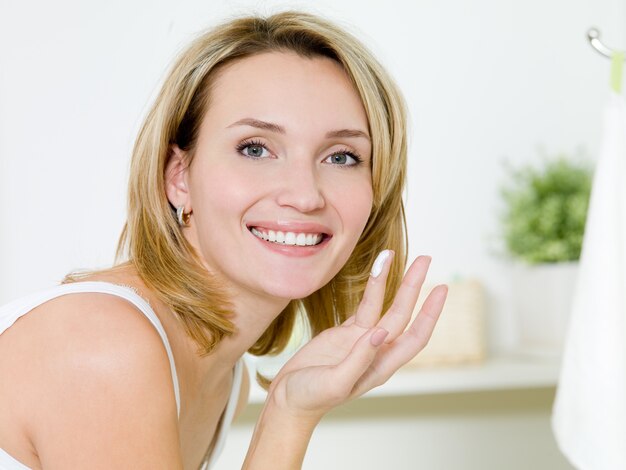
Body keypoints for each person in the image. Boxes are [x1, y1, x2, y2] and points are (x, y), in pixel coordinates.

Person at [0, 10, 448, 470]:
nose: (304, 195)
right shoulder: (105, 345)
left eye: (341, 156)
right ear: (179, 177)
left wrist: (289, 413)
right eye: (255, 148)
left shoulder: (229, 381)